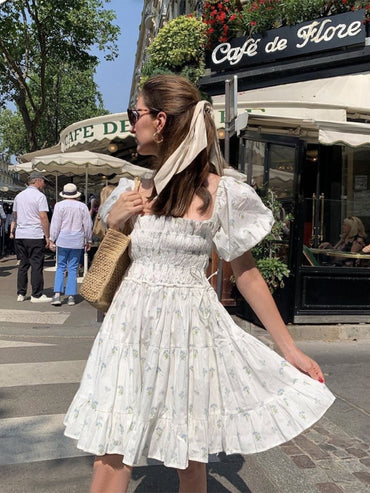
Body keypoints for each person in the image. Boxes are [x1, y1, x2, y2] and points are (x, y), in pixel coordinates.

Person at [64, 75, 335, 493]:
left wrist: (289, 349)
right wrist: (114, 223)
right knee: (112, 446)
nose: (130, 124)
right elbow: (111, 260)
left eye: (135, 114)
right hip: (128, 330)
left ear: (160, 120)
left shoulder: (222, 193)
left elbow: (245, 273)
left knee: (190, 455)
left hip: (189, 335)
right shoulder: (134, 189)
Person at [49, 183, 92, 306]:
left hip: (63, 239)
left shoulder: (59, 206)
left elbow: (55, 224)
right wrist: (88, 240)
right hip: (77, 240)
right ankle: (71, 296)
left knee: (60, 267)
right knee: (73, 268)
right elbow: (87, 225)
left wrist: (52, 239)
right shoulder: (82, 206)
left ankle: (57, 294)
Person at [12, 171, 51, 302]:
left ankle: (21, 293)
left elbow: (16, 215)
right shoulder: (40, 197)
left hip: (21, 233)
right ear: (37, 181)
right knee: (36, 264)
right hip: (34, 233)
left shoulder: (19, 196)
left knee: (23, 264)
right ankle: (37, 294)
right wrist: (47, 236)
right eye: (43, 181)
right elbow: (43, 217)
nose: (44, 184)